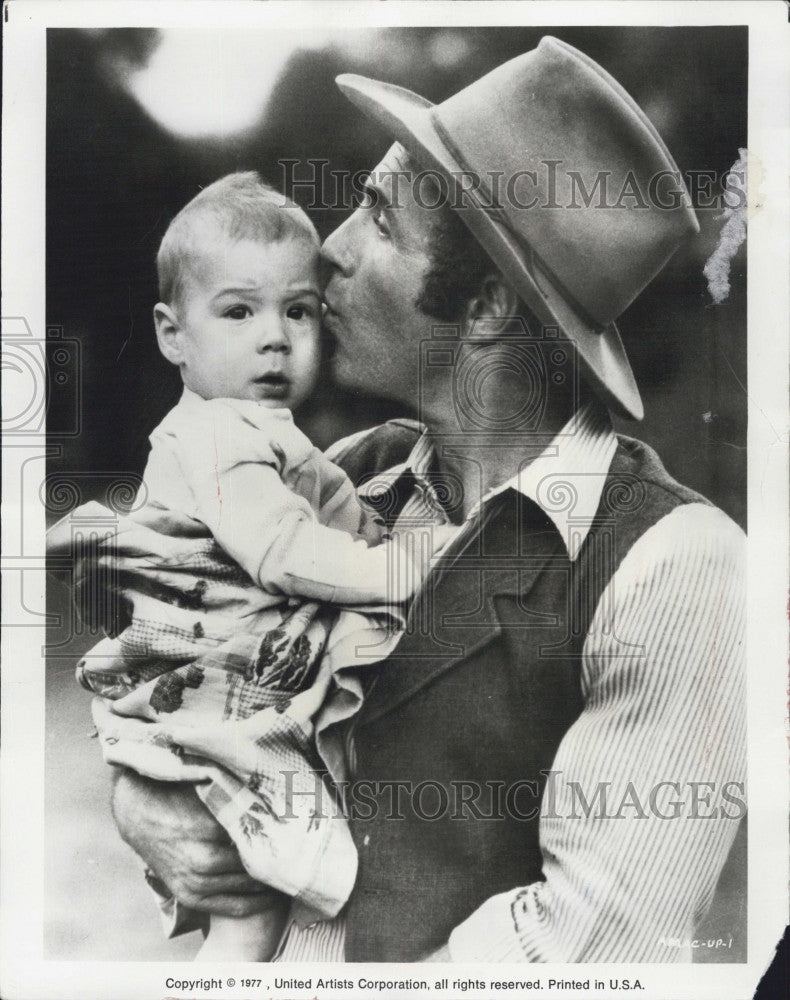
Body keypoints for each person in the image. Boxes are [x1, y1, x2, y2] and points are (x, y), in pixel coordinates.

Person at [109, 37, 745, 962]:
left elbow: (594, 955)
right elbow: (180, 672)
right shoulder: (352, 480)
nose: (328, 253)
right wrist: (142, 805)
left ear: (486, 305)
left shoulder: (674, 565)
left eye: (377, 218)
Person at [50, 172, 449, 961]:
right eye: (239, 312)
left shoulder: (272, 435)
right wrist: (408, 565)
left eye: (297, 311)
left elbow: (333, 518)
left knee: (259, 919)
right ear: (172, 334)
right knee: (256, 916)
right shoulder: (215, 435)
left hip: (235, 688)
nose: (276, 337)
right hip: (218, 702)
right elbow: (283, 552)